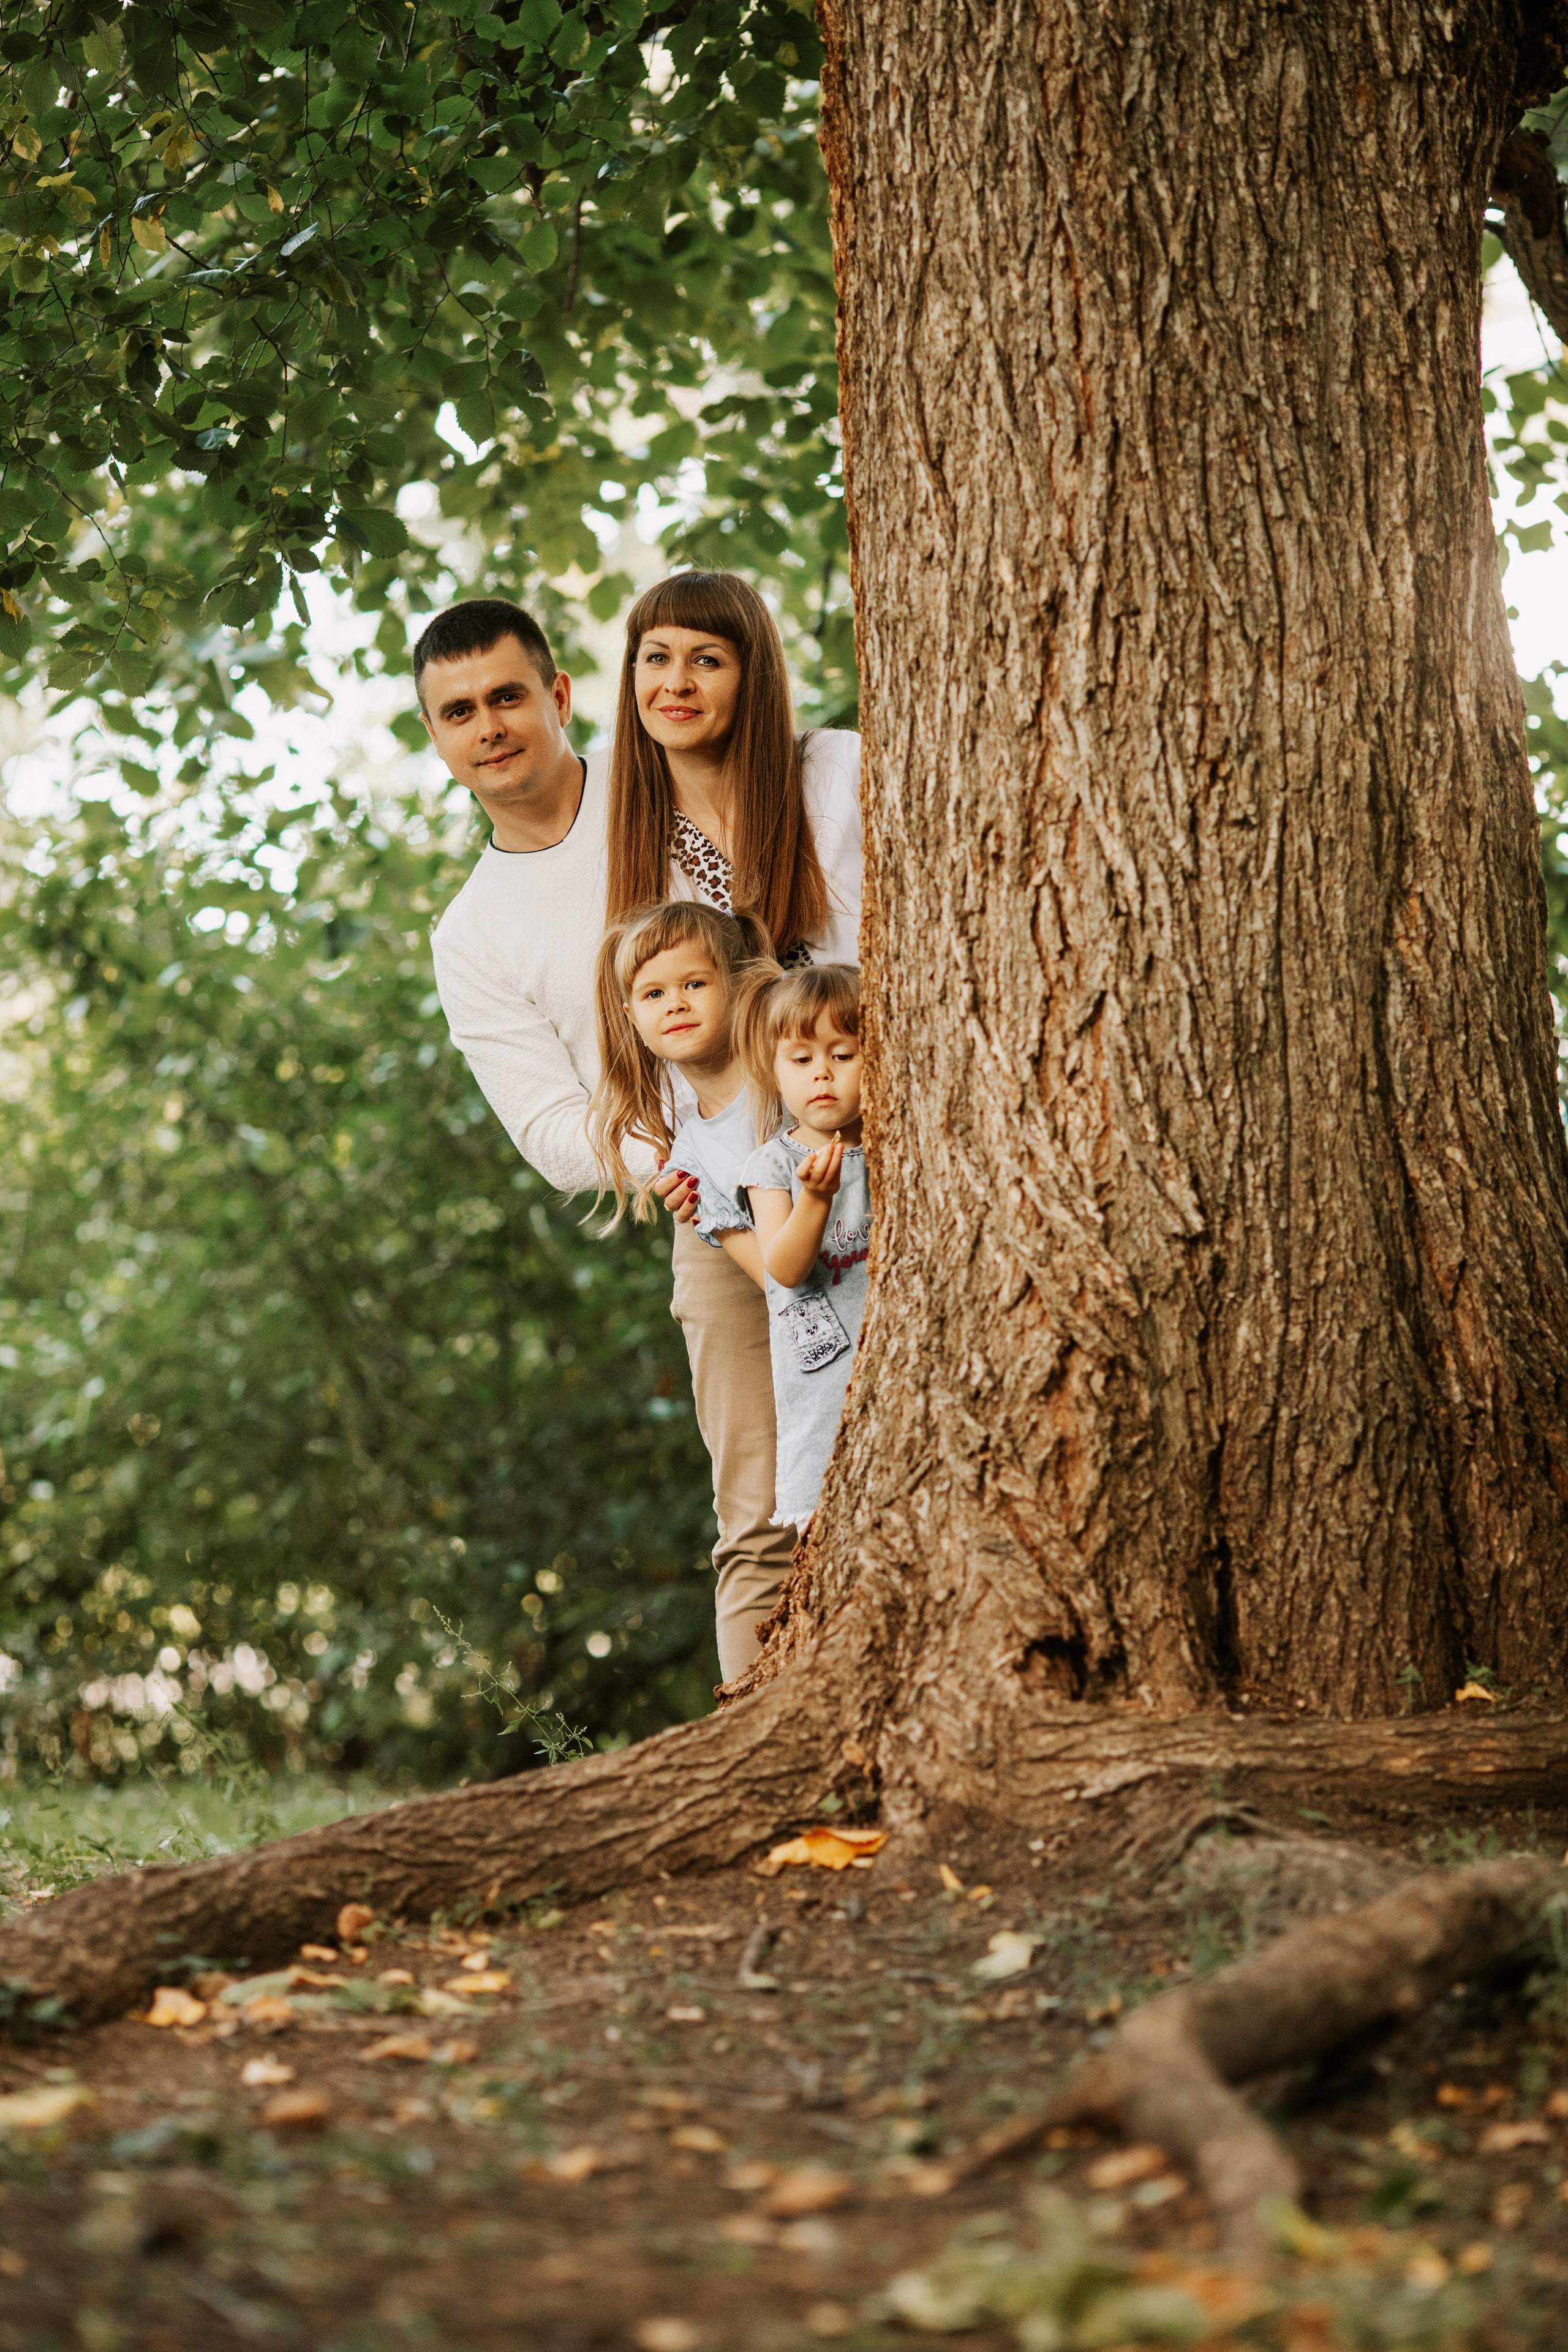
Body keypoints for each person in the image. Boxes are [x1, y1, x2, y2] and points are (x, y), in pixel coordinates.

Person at [426, 578, 862, 1680]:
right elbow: (550, 1125)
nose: (491, 727)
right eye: (459, 712)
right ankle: (756, 1756)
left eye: (508, 696)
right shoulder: (475, 933)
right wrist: (683, 1158)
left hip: (857, 1132)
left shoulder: (660, 776)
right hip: (719, 1199)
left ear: (563, 693)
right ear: (434, 735)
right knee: (763, 1505)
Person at [739, 965, 870, 1531]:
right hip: (825, 1387)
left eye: (842, 1056)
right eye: (802, 1060)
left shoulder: (899, 1142)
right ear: (774, 1070)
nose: (822, 1074)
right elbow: (785, 1269)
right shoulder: (773, 1166)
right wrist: (815, 1200)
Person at [587, 899, 774, 1282]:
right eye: (653, 994)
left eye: (695, 984)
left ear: (740, 986)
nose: (675, 1004)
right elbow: (775, 1280)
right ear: (631, 1017)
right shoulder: (691, 1162)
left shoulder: (796, 1081)